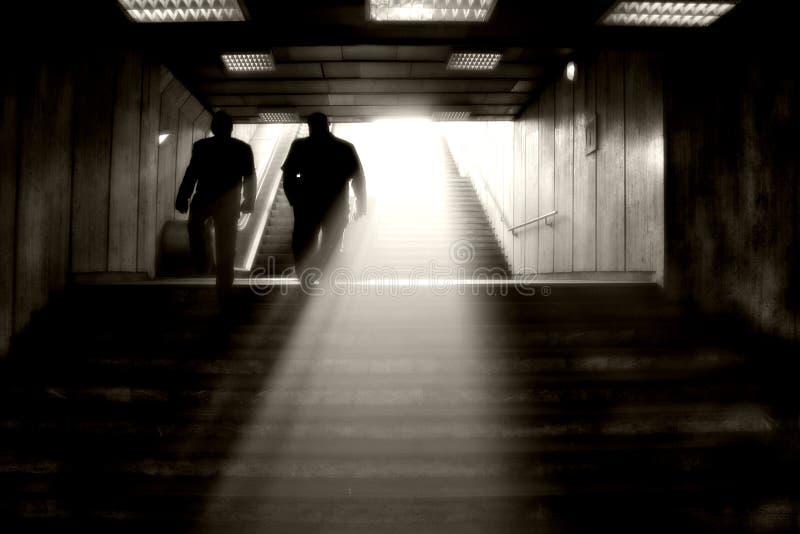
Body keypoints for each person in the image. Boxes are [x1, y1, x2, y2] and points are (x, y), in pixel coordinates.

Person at [175, 110, 256, 306]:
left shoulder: (202, 147)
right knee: (226, 247)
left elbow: (192, 173)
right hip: (228, 203)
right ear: (231, 128)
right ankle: (224, 289)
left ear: (213, 127)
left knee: (195, 228)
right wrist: (248, 201)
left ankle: (204, 261)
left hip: (204, 199)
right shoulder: (242, 148)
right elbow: (250, 177)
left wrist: (183, 197)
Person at [281, 112, 367, 276]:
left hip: (306, 206)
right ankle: (325, 275)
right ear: (327, 125)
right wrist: (361, 204)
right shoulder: (344, 147)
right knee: (331, 245)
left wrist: (294, 199)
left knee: (302, 245)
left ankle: (306, 279)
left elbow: (288, 175)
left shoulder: (300, 146)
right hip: (336, 206)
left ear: (309, 127)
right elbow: (358, 178)